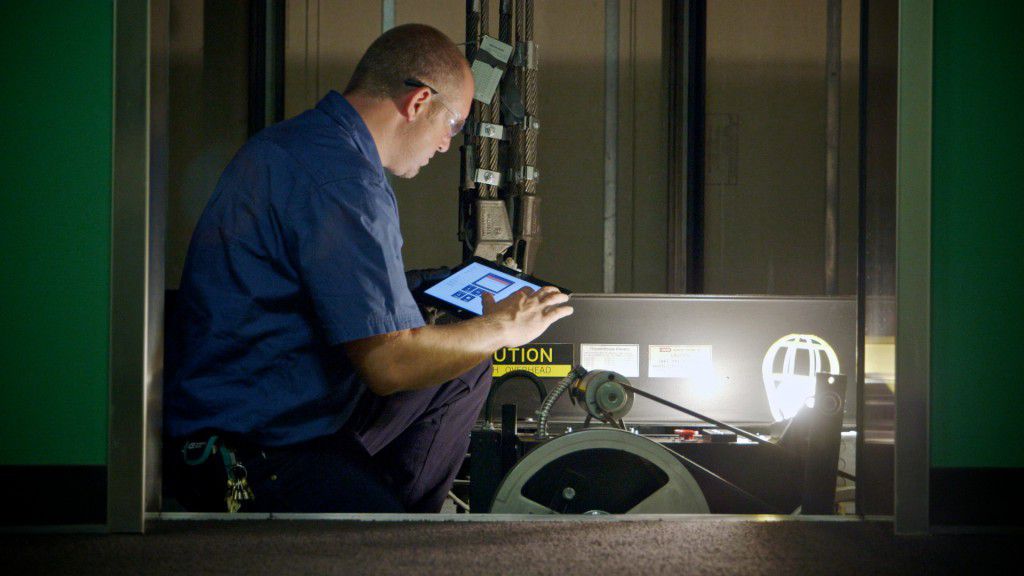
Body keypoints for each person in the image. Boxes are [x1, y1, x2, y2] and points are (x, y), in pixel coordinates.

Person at [164, 23, 572, 513]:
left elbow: (312, 284)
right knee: (469, 354)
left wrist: (426, 285)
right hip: (254, 452)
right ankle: (393, 532)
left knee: (459, 372)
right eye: (453, 125)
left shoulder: (300, 143)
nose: (446, 145)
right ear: (418, 102)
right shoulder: (347, 183)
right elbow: (388, 365)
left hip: (249, 411)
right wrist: (504, 328)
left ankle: (378, 511)